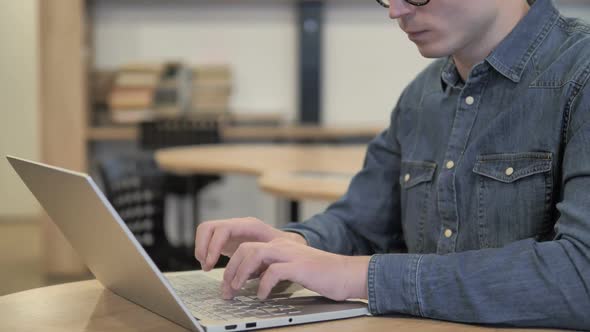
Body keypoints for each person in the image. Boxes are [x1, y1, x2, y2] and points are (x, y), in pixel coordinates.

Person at [194, 0, 590, 329]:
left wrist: (359, 275)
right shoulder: (420, 97)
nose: (396, 11)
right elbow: (360, 225)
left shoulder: (581, 76)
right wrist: (291, 246)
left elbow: (582, 276)